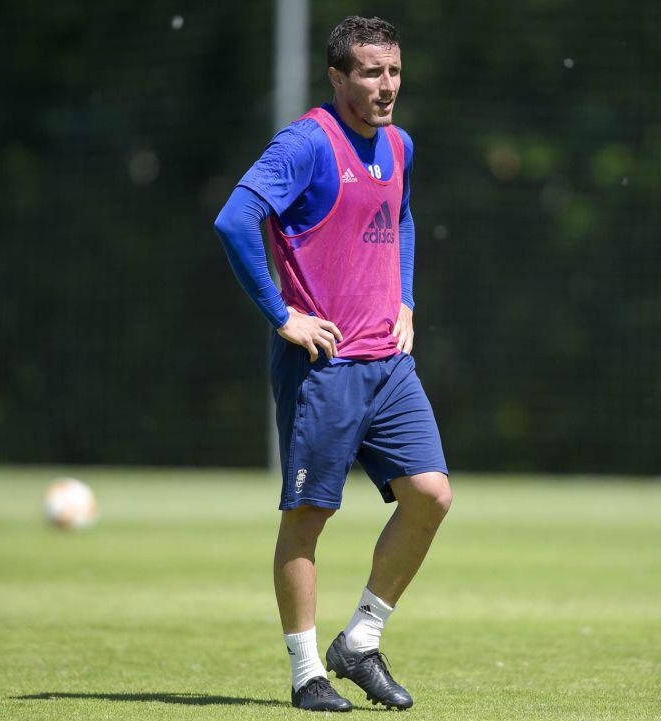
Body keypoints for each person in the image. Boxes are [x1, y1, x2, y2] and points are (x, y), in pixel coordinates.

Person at [213, 16, 451, 713]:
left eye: (395, 72)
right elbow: (234, 219)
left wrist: (405, 297)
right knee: (308, 518)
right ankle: (306, 670)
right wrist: (280, 314)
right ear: (339, 77)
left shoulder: (399, 144)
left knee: (432, 495)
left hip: (388, 362)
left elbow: (401, 213)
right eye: (372, 73)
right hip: (323, 365)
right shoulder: (307, 142)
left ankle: (362, 640)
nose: (387, 87)